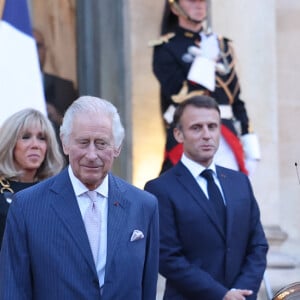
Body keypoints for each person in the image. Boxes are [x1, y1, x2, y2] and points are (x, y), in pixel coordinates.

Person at [0, 96, 159, 300]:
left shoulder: (144, 205)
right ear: (65, 144)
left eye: (101, 143)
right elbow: (14, 289)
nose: (92, 155)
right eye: (83, 143)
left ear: (117, 148)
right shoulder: (26, 206)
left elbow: (147, 289)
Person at [144, 96, 268, 300]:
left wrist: (241, 292)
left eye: (212, 126)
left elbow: (258, 245)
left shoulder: (240, 183)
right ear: (178, 134)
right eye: (196, 128)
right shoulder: (160, 189)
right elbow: (168, 257)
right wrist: (222, 295)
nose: (207, 135)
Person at [150, 0, 260, 175]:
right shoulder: (166, 48)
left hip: (226, 138)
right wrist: (204, 62)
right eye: (192, 1)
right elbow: (179, 95)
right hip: (187, 139)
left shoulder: (222, 45)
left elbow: (236, 100)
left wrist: (250, 145)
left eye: (203, 1)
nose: (199, 5)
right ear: (174, 7)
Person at [0, 108, 64, 248]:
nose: (35, 145)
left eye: (42, 138)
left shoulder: (58, 191)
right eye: (26, 137)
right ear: (10, 143)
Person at [33, 28, 78, 142]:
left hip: (58, 156)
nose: (33, 50)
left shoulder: (64, 88)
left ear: (45, 50)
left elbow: (80, 130)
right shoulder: (7, 88)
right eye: (29, 45)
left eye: (38, 46)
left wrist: (57, 117)